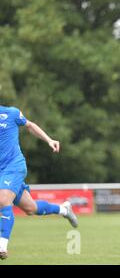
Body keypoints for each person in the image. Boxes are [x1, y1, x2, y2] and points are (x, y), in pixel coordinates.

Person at [0, 105, 78, 260]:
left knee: (3, 200)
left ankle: (2, 246)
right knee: (31, 208)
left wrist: (49, 140)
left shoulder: (11, 113)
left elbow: (29, 125)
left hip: (13, 166)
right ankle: (64, 209)